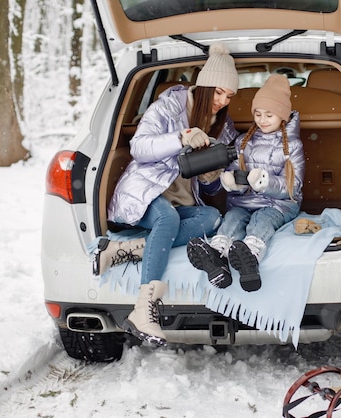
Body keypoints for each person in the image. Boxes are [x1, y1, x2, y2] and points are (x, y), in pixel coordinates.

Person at [91, 42, 240, 346]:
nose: (222, 101)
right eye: (218, 92)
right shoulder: (169, 107)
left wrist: (212, 177)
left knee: (211, 218)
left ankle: (119, 251)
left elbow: (211, 188)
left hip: (184, 201)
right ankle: (144, 309)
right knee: (167, 218)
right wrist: (180, 137)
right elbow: (139, 148)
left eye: (229, 96)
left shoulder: (225, 127)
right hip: (146, 192)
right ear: (203, 85)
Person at [187, 74, 305, 292]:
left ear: (283, 117)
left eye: (269, 114)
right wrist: (231, 182)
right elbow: (233, 170)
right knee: (232, 218)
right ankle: (217, 256)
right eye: (258, 114)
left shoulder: (293, 145)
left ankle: (250, 256)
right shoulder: (243, 141)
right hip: (244, 201)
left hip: (278, 204)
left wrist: (265, 182)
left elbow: (294, 185)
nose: (262, 120)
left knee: (261, 220)